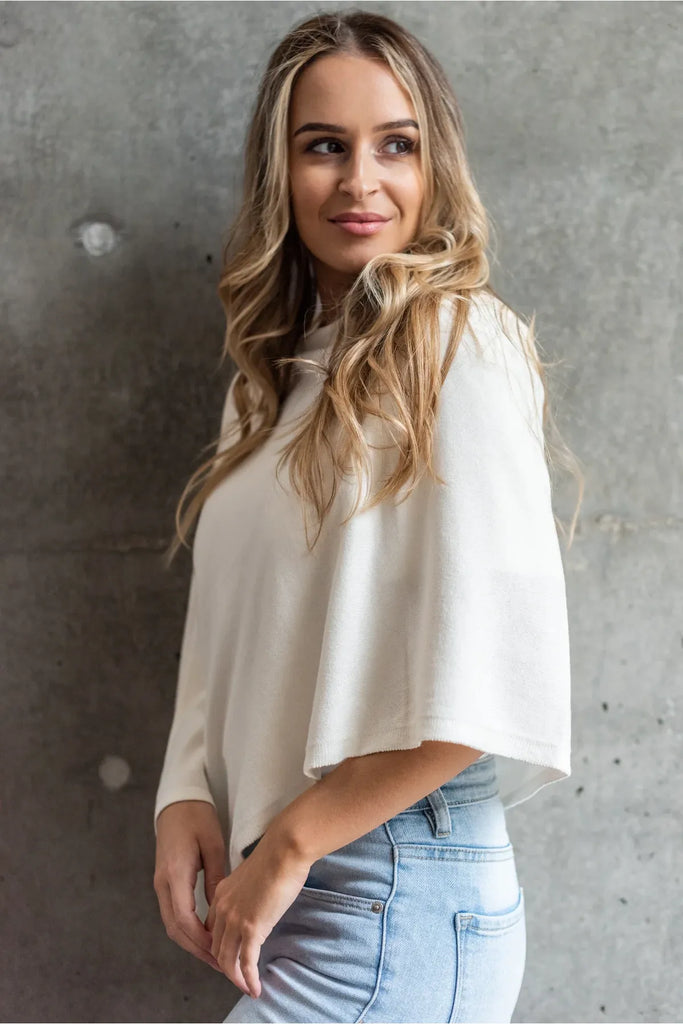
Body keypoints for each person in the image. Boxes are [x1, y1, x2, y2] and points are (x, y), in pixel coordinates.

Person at [153, 10, 583, 1023]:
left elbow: (493, 679)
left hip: (394, 881)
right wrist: (183, 792)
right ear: (279, 170)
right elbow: (227, 623)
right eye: (323, 147)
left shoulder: (455, 341)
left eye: (396, 145)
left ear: (436, 166)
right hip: (295, 875)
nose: (360, 181)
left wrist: (293, 844)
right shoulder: (265, 385)